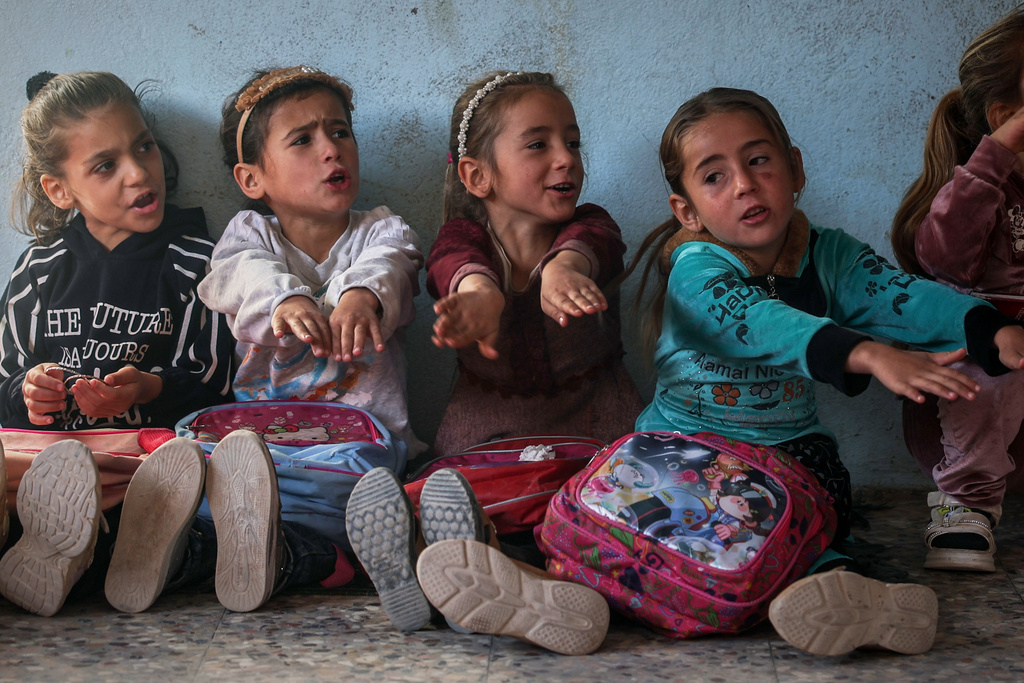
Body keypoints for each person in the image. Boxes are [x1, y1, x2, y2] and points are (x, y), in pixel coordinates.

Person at [629, 87, 1024, 656]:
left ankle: (839, 594)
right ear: (686, 211)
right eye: (714, 177)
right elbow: (759, 321)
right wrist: (866, 353)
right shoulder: (695, 270)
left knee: (809, 519)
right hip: (685, 442)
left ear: (796, 169)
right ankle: (577, 581)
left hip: (791, 450)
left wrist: (989, 331)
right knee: (653, 508)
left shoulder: (829, 254)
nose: (744, 183)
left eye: (759, 160)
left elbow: (901, 296)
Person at [0, 71, 233, 615]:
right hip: (40, 464)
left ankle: (73, 554)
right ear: (59, 190)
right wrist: (28, 392)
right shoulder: (38, 270)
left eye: (144, 147)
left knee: (185, 474)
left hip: (138, 469)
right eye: (105, 165)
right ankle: (62, 550)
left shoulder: (197, 262)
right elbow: (5, 381)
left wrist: (146, 390)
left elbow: (217, 384)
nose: (138, 172)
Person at [200, 65, 425, 457]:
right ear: (252, 179)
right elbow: (241, 272)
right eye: (302, 140)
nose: (331, 149)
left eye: (340, 133)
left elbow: (390, 263)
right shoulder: (248, 235)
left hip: (370, 445)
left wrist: (359, 296)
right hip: (269, 446)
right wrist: (284, 300)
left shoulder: (382, 230)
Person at [427, 71, 643, 456]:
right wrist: (479, 294)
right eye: (538, 144)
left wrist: (565, 269)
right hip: (487, 436)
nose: (566, 159)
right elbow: (454, 261)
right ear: (477, 176)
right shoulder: (462, 236)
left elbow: (595, 244)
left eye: (573, 143)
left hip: (601, 429)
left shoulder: (592, 223)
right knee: (465, 504)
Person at [891, 6, 1024, 573]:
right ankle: (964, 505)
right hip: (982, 362)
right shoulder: (981, 185)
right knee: (981, 373)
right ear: (1007, 117)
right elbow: (944, 258)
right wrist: (996, 157)